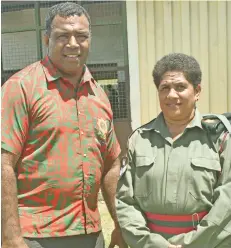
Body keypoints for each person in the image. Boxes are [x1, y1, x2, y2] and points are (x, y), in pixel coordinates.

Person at [1, 2, 127, 248]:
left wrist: (120, 224)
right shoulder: (21, 88)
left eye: (81, 36)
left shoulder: (98, 96)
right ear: (46, 38)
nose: (73, 44)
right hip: (35, 236)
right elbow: (3, 163)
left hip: (91, 235)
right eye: (62, 36)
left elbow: (111, 164)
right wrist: (11, 237)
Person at [116, 53, 231, 248]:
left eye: (180, 87)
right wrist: (152, 244)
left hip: (209, 243)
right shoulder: (140, 139)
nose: (171, 95)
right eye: (164, 88)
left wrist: (192, 243)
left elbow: (227, 200)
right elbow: (125, 201)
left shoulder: (220, 138)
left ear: (197, 91)